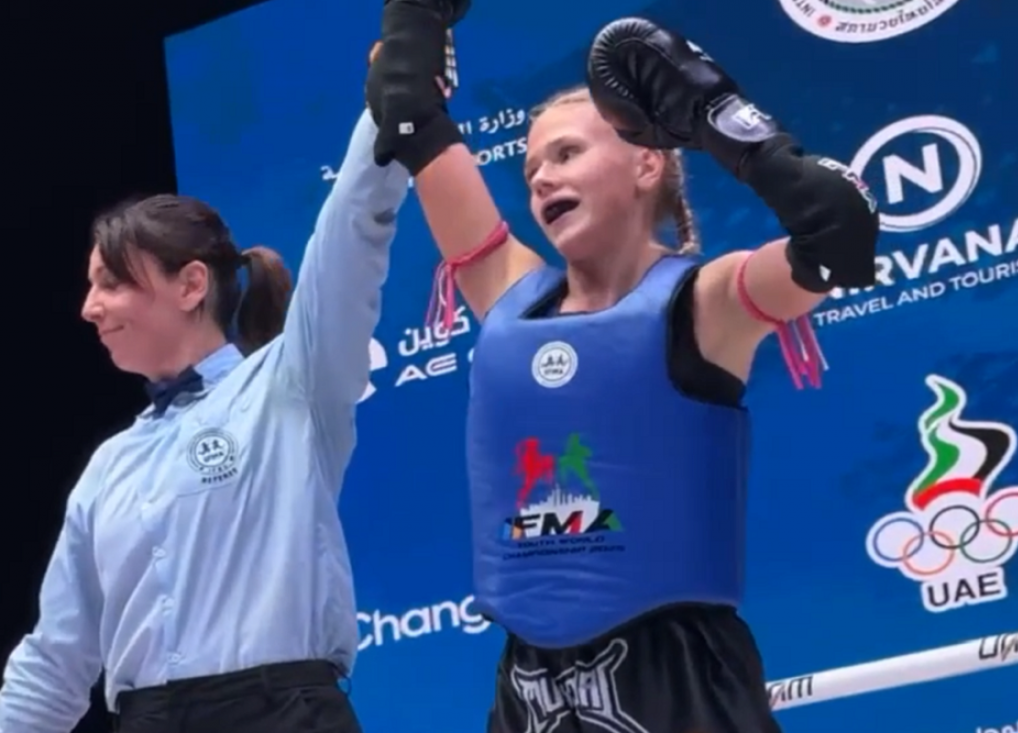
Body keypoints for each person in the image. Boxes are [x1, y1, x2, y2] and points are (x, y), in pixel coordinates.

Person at [368, 5, 878, 733]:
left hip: (677, 674)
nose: (542, 178)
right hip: (528, 683)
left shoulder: (704, 300)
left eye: (567, 153)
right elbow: (409, 117)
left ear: (646, 161)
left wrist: (716, 117)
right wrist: (418, 13)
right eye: (532, 168)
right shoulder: (507, 293)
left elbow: (840, 234)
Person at [0, 109, 410, 733]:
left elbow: (349, 236)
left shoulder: (290, 382)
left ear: (191, 285)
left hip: (283, 715)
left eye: (110, 282)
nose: (88, 307)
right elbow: (54, 661)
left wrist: (391, 102)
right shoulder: (108, 466)